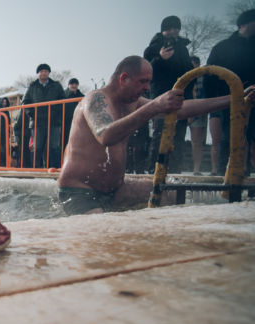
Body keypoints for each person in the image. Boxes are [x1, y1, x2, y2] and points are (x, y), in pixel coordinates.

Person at [57, 56, 251, 216]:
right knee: (104, 234)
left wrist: (235, 99)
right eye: (143, 81)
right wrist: (154, 106)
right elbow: (105, 135)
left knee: (173, 194)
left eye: (149, 82)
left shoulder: (133, 103)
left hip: (115, 189)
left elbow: (180, 109)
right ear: (124, 78)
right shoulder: (96, 99)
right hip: (80, 191)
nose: (147, 88)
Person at [204, 8, 255, 176]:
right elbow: (209, 74)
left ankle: (248, 172)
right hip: (230, 98)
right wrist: (213, 101)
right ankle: (224, 173)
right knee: (230, 135)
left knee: (252, 135)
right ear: (245, 24)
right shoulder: (223, 47)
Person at [144, 15, 193, 174]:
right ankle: (154, 171)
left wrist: (191, 100)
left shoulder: (183, 49)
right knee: (160, 133)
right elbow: (147, 73)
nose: (173, 32)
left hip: (181, 96)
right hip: (160, 95)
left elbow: (189, 74)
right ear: (163, 30)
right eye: (169, 29)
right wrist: (160, 59)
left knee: (178, 135)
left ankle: (176, 171)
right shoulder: (152, 48)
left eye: (175, 28)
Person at [21, 64, 66, 168]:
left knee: (54, 146)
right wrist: (33, 114)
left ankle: (55, 169)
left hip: (54, 121)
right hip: (37, 122)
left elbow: (63, 100)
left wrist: (55, 112)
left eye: (46, 71)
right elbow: (25, 102)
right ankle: (36, 169)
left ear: (49, 73)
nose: (43, 73)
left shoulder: (56, 85)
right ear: (38, 73)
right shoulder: (32, 87)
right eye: (41, 71)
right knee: (37, 147)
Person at [187, 56, 208, 175]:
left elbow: (203, 95)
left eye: (196, 63)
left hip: (198, 111)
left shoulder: (202, 78)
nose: (194, 65)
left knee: (196, 142)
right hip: (182, 109)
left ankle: (196, 169)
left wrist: (196, 113)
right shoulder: (183, 76)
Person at [63, 78, 84, 146]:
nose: (74, 86)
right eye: (72, 84)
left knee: (77, 140)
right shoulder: (63, 95)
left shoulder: (82, 96)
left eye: (76, 84)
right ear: (68, 85)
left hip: (78, 121)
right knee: (64, 140)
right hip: (65, 122)